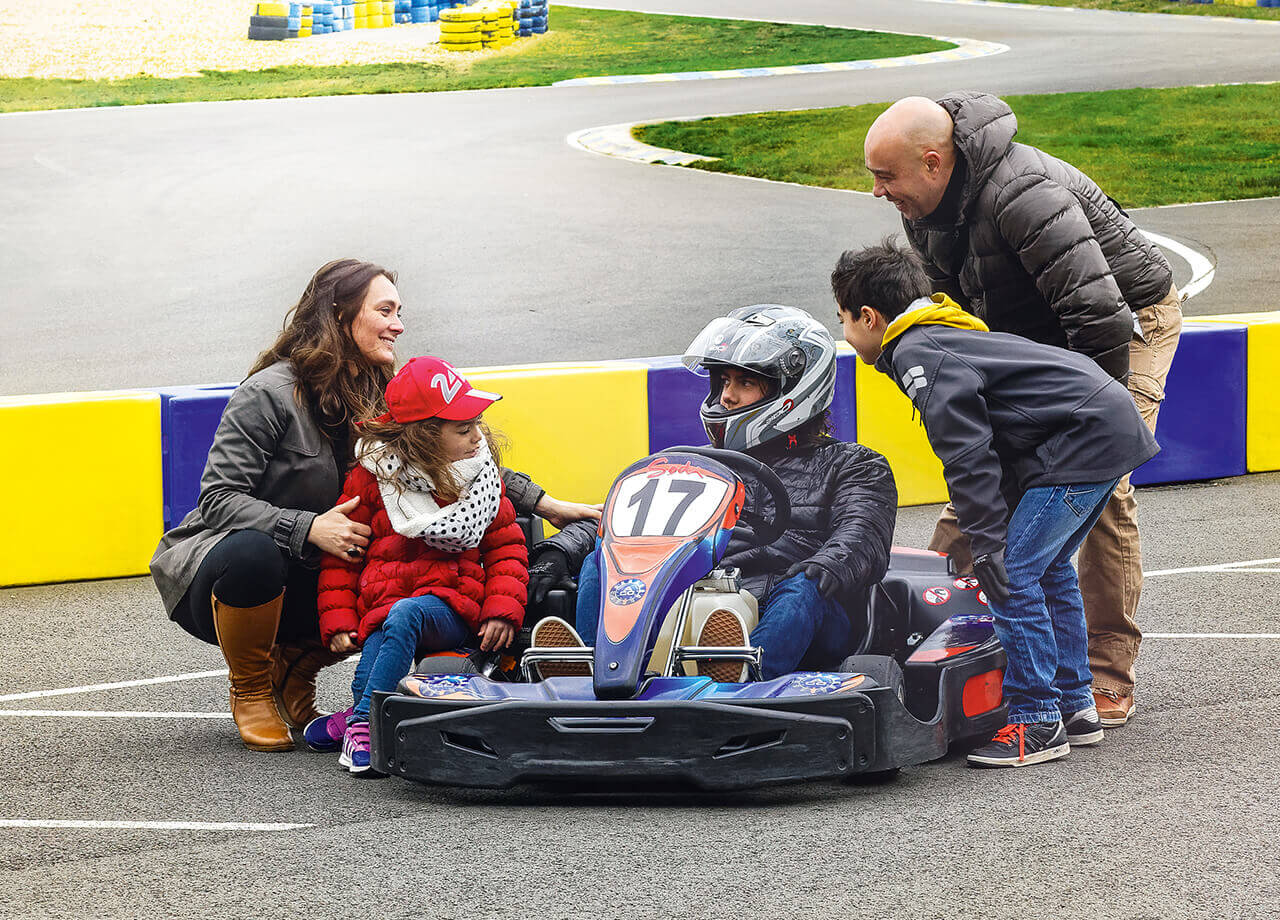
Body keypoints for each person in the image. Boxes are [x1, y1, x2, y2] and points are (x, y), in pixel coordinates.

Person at [150, 260, 597, 753]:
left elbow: (449, 458)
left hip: (322, 559)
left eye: (399, 312)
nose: (398, 324)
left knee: (390, 567)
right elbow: (217, 499)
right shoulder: (267, 394)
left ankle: (294, 670)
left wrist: (544, 502)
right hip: (227, 567)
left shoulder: (384, 386)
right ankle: (252, 689)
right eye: (384, 310)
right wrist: (308, 527)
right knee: (259, 553)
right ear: (341, 317)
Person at [863, 91, 1183, 726]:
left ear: (932, 161)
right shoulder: (921, 202)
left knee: (1096, 486)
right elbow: (951, 311)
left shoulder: (1024, 193)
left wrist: (1091, 421)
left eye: (885, 177)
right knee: (985, 476)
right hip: (1027, 341)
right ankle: (940, 643)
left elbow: (1097, 319)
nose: (878, 192)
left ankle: (1101, 674)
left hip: (1122, 326)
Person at [833, 240, 1159, 767]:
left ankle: (1036, 722)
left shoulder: (919, 356)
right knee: (1047, 569)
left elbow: (967, 456)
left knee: (1012, 573)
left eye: (843, 319)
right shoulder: (942, 333)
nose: (845, 333)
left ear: (869, 317)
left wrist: (987, 544)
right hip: (1102, 430)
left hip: (1085, 441)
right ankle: (1076, 705)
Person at [526, 305, 897, 681]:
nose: (727, 398)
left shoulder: (853, 465)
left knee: (804, 589)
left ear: (795, 391)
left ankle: (744, 676)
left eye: (745, 384)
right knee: (601, 561)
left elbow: (862, 533)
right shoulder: (694, 463)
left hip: (789, 605)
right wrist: (559, 550)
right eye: (723, 383)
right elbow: (624, 519)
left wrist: (824, 567)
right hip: (691, 596)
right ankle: (598, 671)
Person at [312, 356, 528, 774]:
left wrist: (501, 611)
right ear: (422, 438)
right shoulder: (372, 477)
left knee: (405, 615)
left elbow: (506, 547)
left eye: (477, 425)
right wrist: (338, 620)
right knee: (379, 647)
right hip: (385, 607)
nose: (477, 438)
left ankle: (364, 723)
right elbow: (345, 551)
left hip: (453, 607)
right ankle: (361, 705)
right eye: (464, 429)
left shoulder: (479, 478)